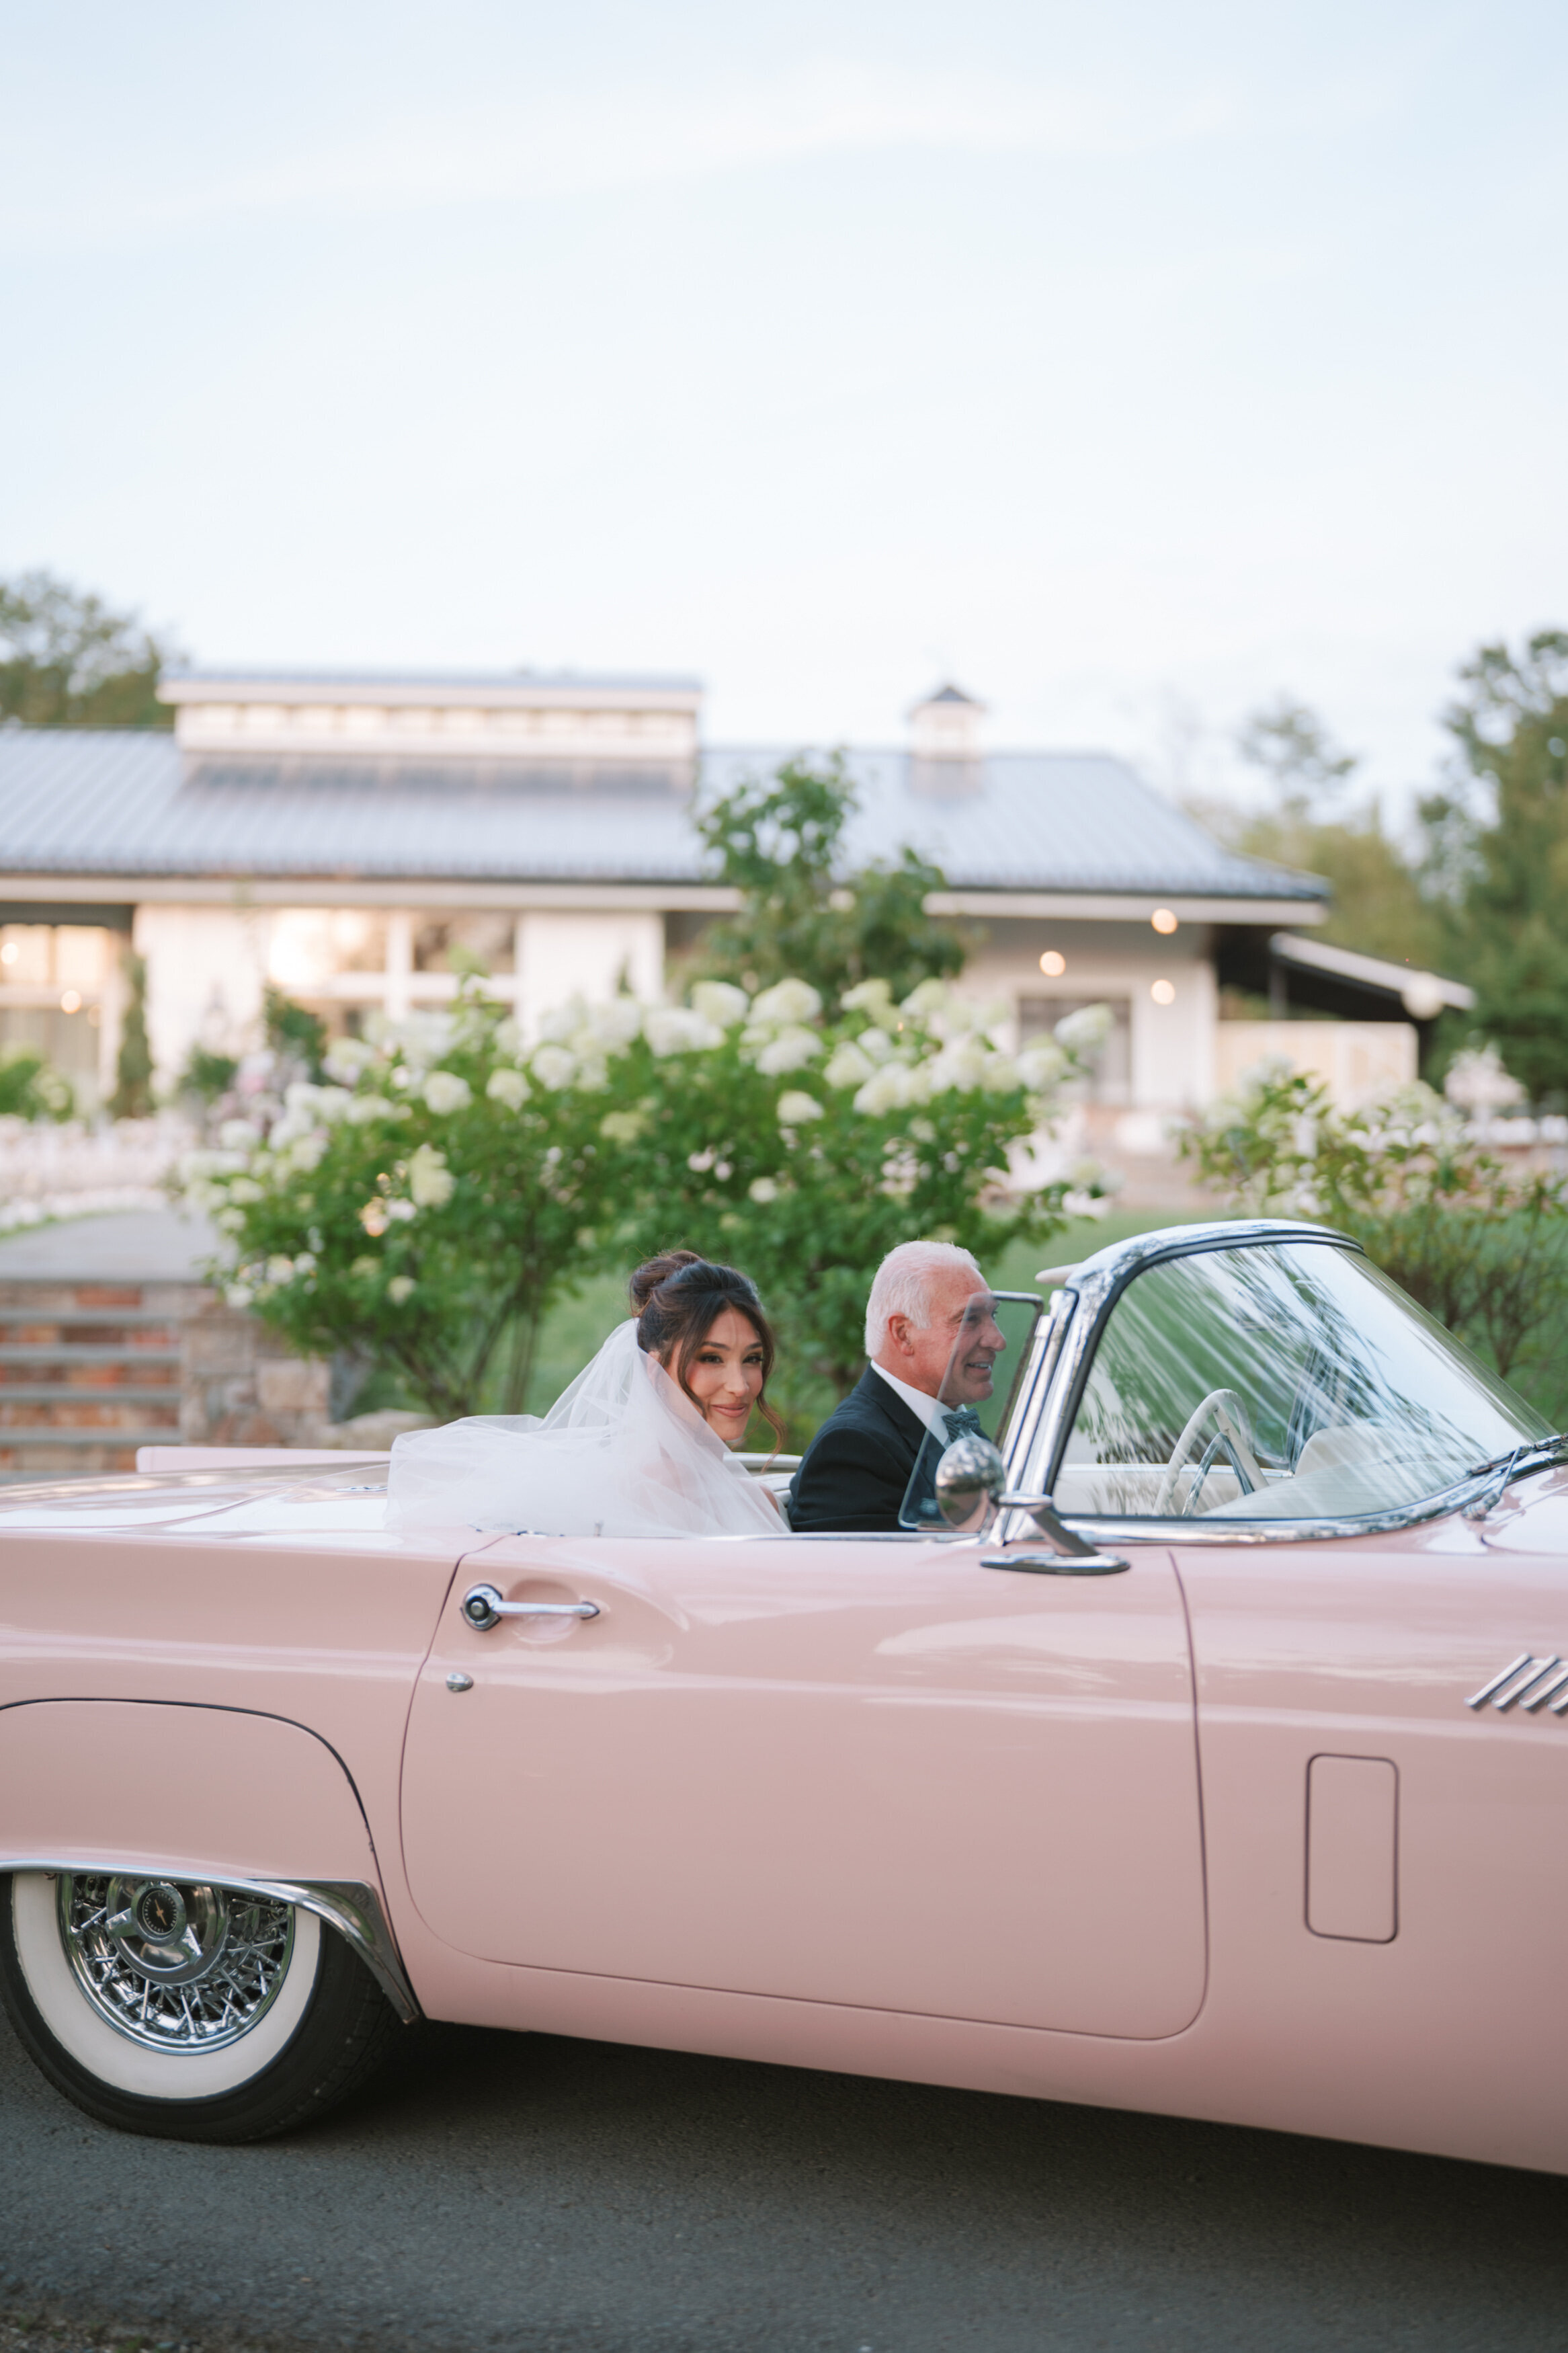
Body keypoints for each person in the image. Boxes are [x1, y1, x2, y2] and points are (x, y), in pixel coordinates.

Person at [386, 1250, 786, 1538]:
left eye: (752, 1359)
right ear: (655, 1368)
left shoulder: (759, 1501)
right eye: (712, 1359)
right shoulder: (626, 1501)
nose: (741, 1386)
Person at [787, 1240, 1005, 1534]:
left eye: (994, 1316)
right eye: (969, 1319)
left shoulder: (962, 1431)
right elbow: (870, 1578)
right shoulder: (851, 1450)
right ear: (903, 1334)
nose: (997, 1340)